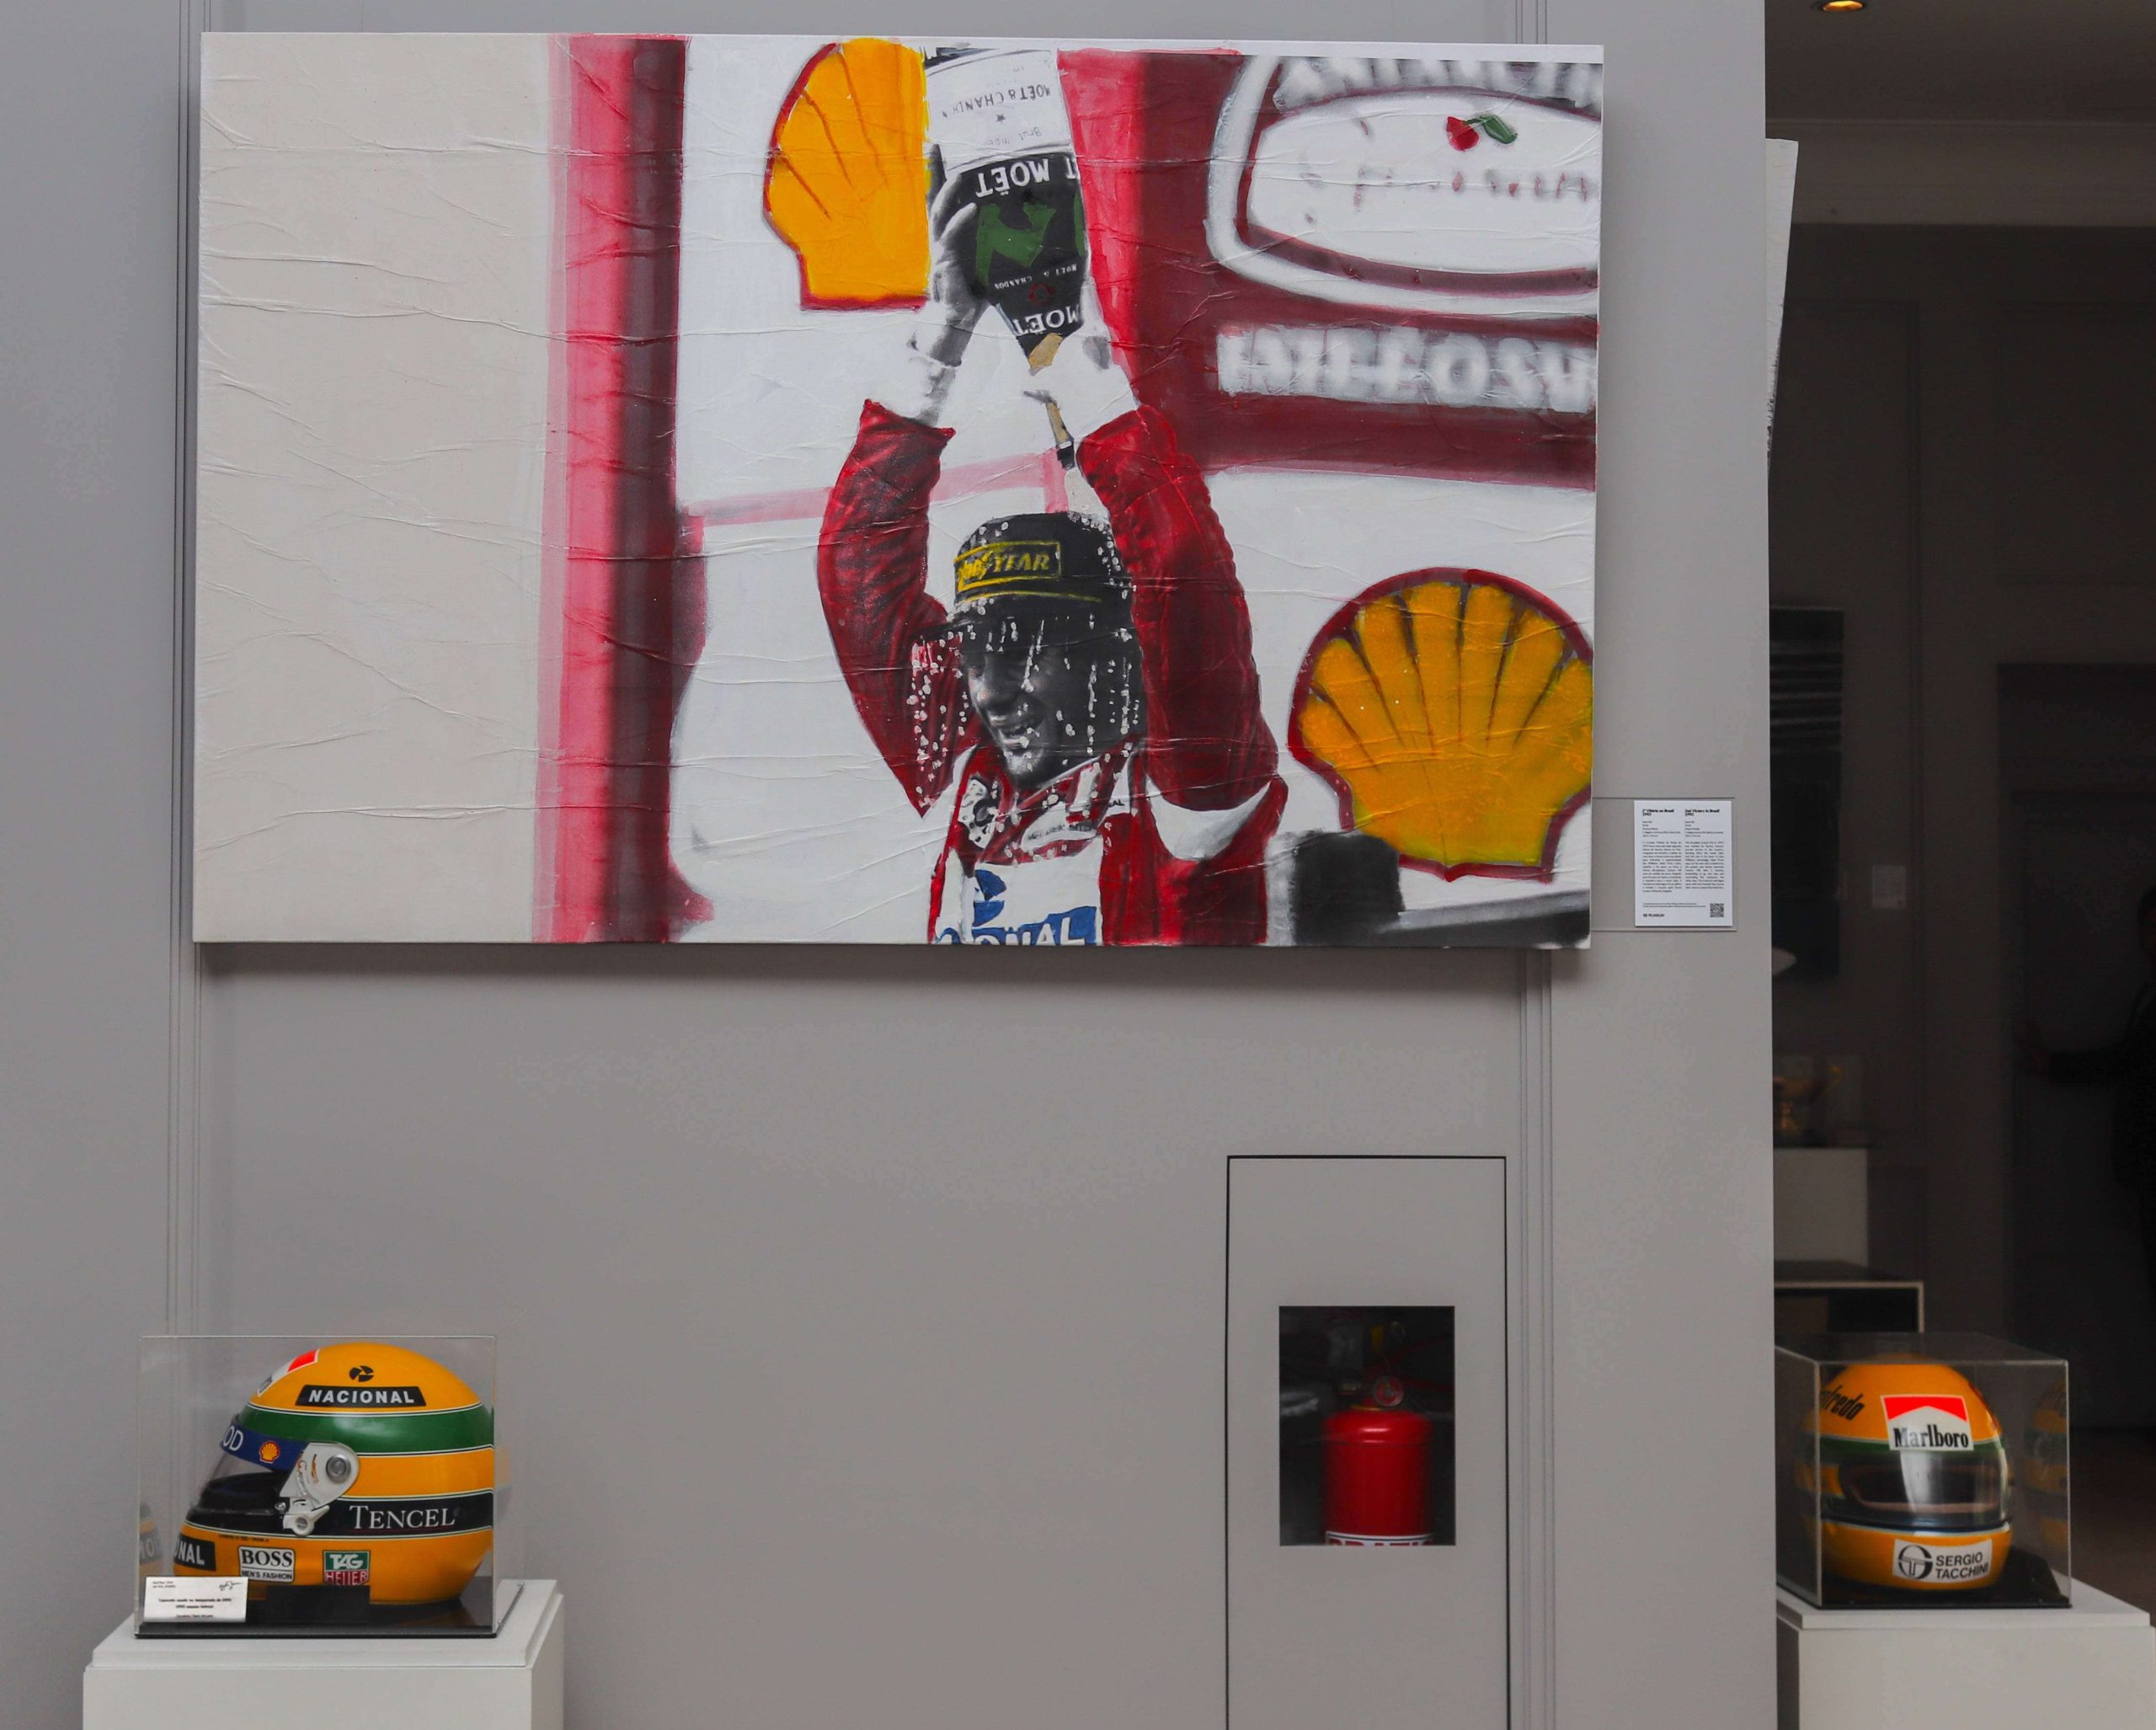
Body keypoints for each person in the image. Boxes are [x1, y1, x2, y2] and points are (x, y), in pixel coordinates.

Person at [816, 177, 1283, 944]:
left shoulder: (1188, 784)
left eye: (1028, 651)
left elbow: (1181, 568)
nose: (991, 691)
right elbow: (857, 574)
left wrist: (1075, 367)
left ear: (1121, 652)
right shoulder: (975, 764)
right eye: (976, 653)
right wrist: (943, 330)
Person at [2026, 884, 2156, 1298]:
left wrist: (2055, 1066)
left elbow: (2126, 1060)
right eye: (2151, 928)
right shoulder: (2148, 992)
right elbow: (2128, 1060)